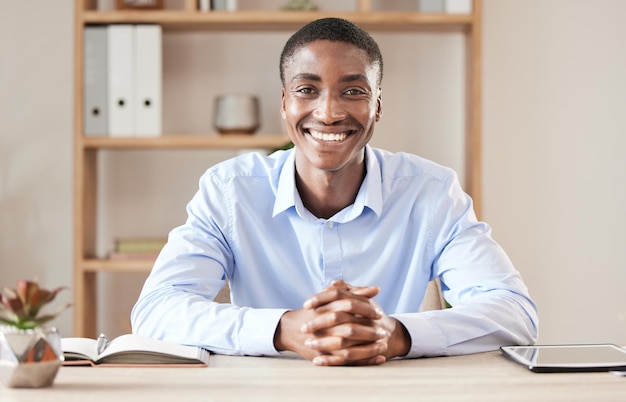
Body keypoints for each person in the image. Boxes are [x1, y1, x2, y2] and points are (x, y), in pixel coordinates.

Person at [131, 17, 538, 366]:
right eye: (307, 89)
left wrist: (396, 335)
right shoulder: (229, 191)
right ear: (285, 103)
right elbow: (155, 310)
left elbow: (514, 313)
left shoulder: (430, 193)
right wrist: (284, 329)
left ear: (377, 105)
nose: (328, 113)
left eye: (354, 91)